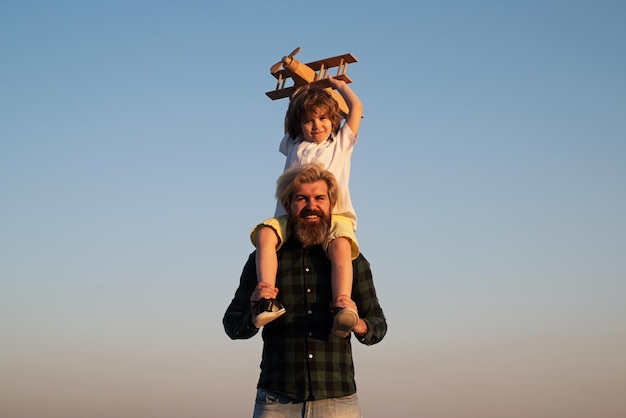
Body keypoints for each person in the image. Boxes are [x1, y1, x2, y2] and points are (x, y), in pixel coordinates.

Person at [223, 163, 387, 418]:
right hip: (276, 399)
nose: (312, 206)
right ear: (288, 206)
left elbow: (378, 324)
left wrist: (359, 325)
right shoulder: (264, 258)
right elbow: (232, 324)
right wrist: (253, 317)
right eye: (302, 198)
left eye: (319, 198)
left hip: (337, 400)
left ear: (331, 204)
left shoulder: (352, 260)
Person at [250, 75, 364, 338]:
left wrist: (338, 87)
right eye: (309, 121)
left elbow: (356, 109)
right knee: (265, 233)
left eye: (323, 118)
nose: (316, 126)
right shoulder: (293, 144)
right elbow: (292, 115)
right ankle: (267, 296)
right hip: (291, 216)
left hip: (332, 215)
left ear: (333, 120)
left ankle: (342, 306)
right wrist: (298, 96)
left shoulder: (340, 143)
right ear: (299, 125)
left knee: (341, 247)